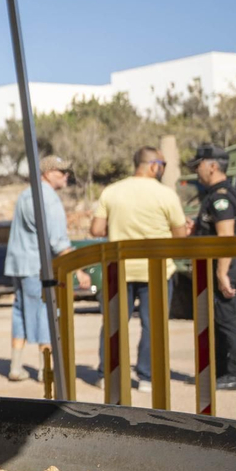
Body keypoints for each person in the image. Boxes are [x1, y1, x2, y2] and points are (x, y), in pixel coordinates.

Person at [91, 146, 191, 390]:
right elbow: (180, 236)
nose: (163, 170)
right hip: (155, 270)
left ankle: (108, 373)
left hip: (119, 270)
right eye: (163, 165)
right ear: (153, 165)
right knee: (153, 324)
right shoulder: (165, 195)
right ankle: (147, 376)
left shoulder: (112, 191)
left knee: (114, 323)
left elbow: (95, 230)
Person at [4, 155, 74, 381]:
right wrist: (80, 271)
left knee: (20, 311)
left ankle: (16, 366)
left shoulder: (25, 194)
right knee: (46, 311)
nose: (66, 176)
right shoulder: (49, 198)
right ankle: (47, 370)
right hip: (38, 266)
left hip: (18, 264)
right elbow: (58, 241)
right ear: (47, 173)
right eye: (60, 171)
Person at [189, 144, 236, 389]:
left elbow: (226, 236)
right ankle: (222, 371)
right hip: (220, 265)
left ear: (212, 166)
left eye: (198, 165)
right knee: (219, 319)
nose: (196, 171)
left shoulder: (221, 197)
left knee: (228, 318)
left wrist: (222, 272)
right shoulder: (216, 194)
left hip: (224, 266)